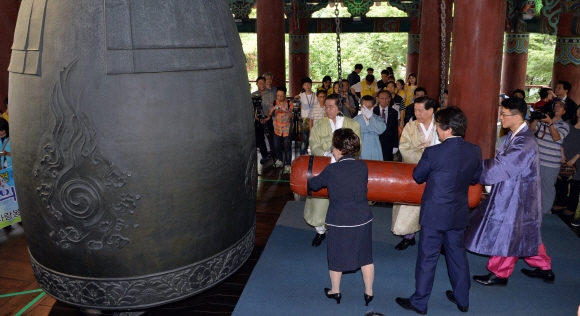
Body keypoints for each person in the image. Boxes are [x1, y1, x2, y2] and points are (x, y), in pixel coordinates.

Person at [395, 106, 482, 315]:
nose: (437, 131)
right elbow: (474, 178)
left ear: (448, 129)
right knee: (458, 256)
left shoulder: (433, 152)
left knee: (427, 258)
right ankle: (463, 299)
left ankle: (420, 302)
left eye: (439, 128)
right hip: (459, 213)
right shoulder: (474, 150)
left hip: (434, 214)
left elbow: (418, 176)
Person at [466, 97, 555, 287]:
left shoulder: (524, 141)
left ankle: (500, 274)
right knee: (527, 232)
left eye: (504, 114)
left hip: (519, 196)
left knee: (508, 233)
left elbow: (503, 165)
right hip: (518, 191)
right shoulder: (518, 135)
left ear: (516, 116)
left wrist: (475, 169)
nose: (501, 117)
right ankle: (544, 268)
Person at [308, 128, 374, 306]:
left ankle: (335, 291)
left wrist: (316, 172)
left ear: (337, 149)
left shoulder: (331, 169)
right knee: (365, 256)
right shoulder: (363, 166)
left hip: (340, 220)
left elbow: (314, 185)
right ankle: (369, 293)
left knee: (336, 255)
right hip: (363, 217)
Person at [304, 94, 361, 247]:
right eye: (326, 106)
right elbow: (314, 143)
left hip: (345, 168)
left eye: (331, 106)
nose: (328, 109)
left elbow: (358, 145)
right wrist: (325, 154)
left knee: (343, 203)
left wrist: (341, 155)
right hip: (324, 166)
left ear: (339, 107)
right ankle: (320, 231)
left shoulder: (352, 124)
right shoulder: (319, 125)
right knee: (320, 202)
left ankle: (343, 231)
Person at [392, 97, 440, 250]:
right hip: (414, 170)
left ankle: (438, 240)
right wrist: (425, 153)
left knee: (436, 207)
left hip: (437, 173)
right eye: (415, 110)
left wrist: (429, 153)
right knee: (409, 205)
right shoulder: (410, 126)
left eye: (421, 110)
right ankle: (408, 236)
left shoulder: (441, 125)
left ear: (431, 110)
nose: (417, 113)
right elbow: (404, 148)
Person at [529, 98, 569, 214]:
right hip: (536, 160)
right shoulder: (542, 120)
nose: (557, 107)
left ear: (564, 112)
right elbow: (531, 131)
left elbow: (556, 137)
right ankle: (534, 212)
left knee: (547, 190)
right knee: (534, 188)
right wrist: (536, 118)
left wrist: (550, 123)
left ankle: (546, 214)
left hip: (551, 163)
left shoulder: (564, 125)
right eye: (555, 105)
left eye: (560, 106)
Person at [553, 105, 580, 221]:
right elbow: (561, 139)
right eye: (579, 109)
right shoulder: (568, 123)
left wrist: (574, 159)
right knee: (561, 181)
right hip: (564, 155)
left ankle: (571, 207)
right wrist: (562, 154)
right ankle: (561, 202)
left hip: (578, 158)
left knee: (575, 184)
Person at [266, 86, 293, 174]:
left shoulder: (289, 103)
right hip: (277, 128)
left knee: (287, 147)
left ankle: (288, 164)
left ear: (285, 95)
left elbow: (291, 116)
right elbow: (269, 114)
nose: (280, 97)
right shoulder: (274, 102)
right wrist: (273, 109)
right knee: (276, 146)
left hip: (286, 128)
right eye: (278, 95)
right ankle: (280, 160)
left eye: (281, 96)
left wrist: (285, 109)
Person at [252, 76, 276, 164]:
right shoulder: (253, 95)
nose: (262, 85)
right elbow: (252, 109)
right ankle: (264, 155)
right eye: (260, 83)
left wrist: (268, 118)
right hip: (258, 118)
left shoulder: (271, 94)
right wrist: (258, 118)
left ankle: (274, 155)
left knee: (270, 137)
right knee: (260, 138)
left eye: (263, 83)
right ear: (257, 84)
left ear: (266, 83)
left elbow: (272, 107)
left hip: (268, 117)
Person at [354, 95, 386, 160]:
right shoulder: (355, 120)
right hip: (360, 149)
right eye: (364, 107)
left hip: (374, 148)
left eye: (368, 107)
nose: (366, 109)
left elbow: (381, 129)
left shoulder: (378, 118)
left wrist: (371, 117)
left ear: (373, 107)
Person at [373, 90, 399, 161]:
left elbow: (395, 130)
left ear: (390, 99)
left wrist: (395, 145)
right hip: (376, 142)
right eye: (382, 98)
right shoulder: (373, 111)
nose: (384, 101)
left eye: (386, 98)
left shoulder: (394, 112)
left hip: (388, 143)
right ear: (378, 99)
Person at [295, 77, 318, 156]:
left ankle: (314, 155)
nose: (307, 86)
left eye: (308, 84)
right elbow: (295, 104)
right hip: (304, 120)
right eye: (305, 84)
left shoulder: (316, 95)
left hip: (315, 120)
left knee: (314, 138)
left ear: (311, 85)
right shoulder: (300, 96)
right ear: (303, 86)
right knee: (304, 139)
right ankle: (302, 156)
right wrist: (295, 99)